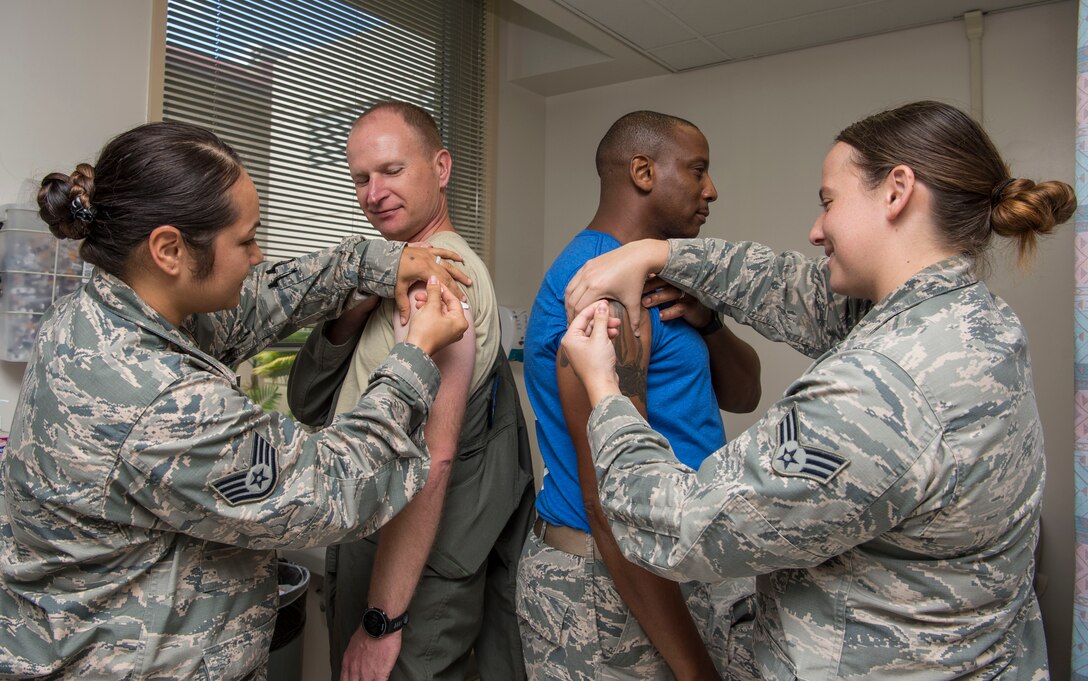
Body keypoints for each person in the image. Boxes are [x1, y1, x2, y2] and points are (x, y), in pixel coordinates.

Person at [560, 100, 1076, 679]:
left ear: (896, 190)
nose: (816, 228)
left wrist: (606, 392)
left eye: (828, 202)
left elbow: (684, 524)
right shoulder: (971, 319)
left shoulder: (881, 388)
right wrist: (665, 254)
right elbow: (795, 290)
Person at [0, 121, 474, 679]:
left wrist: (374, 264)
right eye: (244, 240)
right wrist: (414, 356)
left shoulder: (102, 310)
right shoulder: (159, 402)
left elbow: (261, 298)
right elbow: (334, 488)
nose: (257, 255)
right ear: (170, 249)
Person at [287, 101, 535, 681]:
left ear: (442, 168)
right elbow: (309, 402)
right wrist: (353, 307)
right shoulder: (384, 274)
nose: (373, 193)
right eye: (361, 178)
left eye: (392, 170)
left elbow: (433, 461)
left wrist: (382, 621)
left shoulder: (443, 280)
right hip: (370, 538)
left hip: (408, 568)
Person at [518, 110, 761, 680]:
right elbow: (610, 503)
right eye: (698, 170)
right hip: (609, 577)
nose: (711, 190)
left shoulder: (660, 278)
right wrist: (697, 672)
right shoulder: (598, 294)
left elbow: (745, 393)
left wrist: (709, 322)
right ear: (644, 172)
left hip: (667, 558)